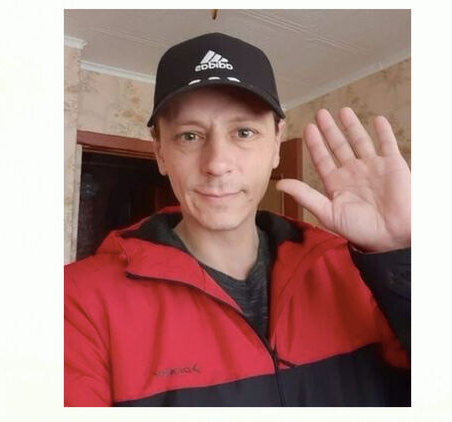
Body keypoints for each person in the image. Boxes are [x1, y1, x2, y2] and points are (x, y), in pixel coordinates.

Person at [65, 32, 411, 406]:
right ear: (161, 152)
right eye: (189, 136)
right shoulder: (77, 301)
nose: (217, 163)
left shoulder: (358, 271)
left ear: (276, 143)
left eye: (244, 132)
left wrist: (399, 255)